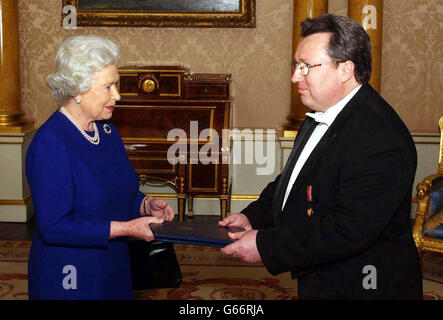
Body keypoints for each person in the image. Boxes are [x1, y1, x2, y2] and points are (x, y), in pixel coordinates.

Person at [219, 14, 423, 299]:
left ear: (345, 70)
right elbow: (292, 182)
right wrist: (253, 218)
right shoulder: (321, 112)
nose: (294, 77)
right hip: (324, 277)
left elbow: (348, 229)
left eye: (306, 67)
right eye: (295, 65)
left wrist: (267, 246)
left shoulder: (380, 136)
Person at [25, 35, 175, 300]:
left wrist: (144, 204)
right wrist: (127, 229)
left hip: (112, 263)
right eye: (108, 86)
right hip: (70, 272)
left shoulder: (106, 132)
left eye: (115, 85)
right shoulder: (51, 143)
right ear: (77, 90)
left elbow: (113, 193)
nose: (117, 95)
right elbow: (54, 226)